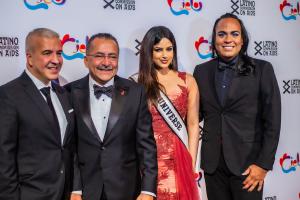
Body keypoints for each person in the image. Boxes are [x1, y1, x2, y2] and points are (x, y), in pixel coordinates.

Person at [193, 13, 281, 200]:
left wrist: (263, 165)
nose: (228, 39)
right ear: (214, 39)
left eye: (234, 34)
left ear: (242, 40)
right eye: (221, 34)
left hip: (248, 166)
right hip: (213, 166)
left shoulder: (262, 69)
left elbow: (273, 121)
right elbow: (195, 115)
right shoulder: (201, 71)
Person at [67, 33, 157, 200]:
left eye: (112, 57)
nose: (106, 63)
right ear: (86, 60)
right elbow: (69, 148)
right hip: (84, 191)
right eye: (99, 56)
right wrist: (75, 188)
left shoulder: (136, 92)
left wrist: (148, 190)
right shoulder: (69, 92)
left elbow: (147, 146)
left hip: (127, 189)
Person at [0, 28, 77, 200]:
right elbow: (4, 159)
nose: (56, 60)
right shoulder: (8, 95)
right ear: (29, 58)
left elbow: (68, 147)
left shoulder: (64, 93)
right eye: (47, 53)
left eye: (59, 53)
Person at [137, 26, 200, 200]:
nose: (164, 55)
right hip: (149, 157)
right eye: (158, 50)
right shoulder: (137, 82)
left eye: (169, 49)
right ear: (148, 52)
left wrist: (191, 161)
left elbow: (193, 124)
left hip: (179, 156)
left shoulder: (188, 80)